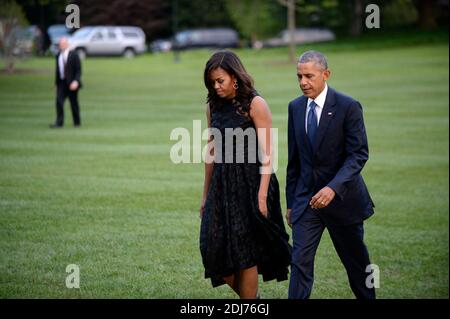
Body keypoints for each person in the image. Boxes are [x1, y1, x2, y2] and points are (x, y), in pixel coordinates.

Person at [199, 51, 291, 299]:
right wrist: (205, 195)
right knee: (211, 248)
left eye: (220, 81)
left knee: (244, 248)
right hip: (222, 182)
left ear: (235, 77)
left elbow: (269, 153)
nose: (216, 86)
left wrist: (262, 196)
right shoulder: (212, 105)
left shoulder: (255, 103)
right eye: (212, 82)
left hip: (252, 181)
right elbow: (211, 150)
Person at [285, 50, 376, 299]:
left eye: (309, 76)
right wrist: (292, 203)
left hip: (343, 201)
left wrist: (333, 188)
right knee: (300, 262)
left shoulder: (348, 106)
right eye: (299, 76)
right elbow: (294, 162)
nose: (303, 82)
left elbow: (358, 154)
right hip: (307, 203)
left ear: (326, 74)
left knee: (357, 265)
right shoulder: (295, 107)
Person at [50, 37, 82, 128]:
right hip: (62, 83)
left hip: (72, 83)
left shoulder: (74, 55)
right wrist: (56, 83)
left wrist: (76, 81)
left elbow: (78, 70)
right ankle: (59, 123)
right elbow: (58, 71)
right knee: (59, 101)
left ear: (67, 44)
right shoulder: (58, 55)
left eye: (63, 44)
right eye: (60, 44)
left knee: (73, 103)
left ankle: (77, 123)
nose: (62, 46)